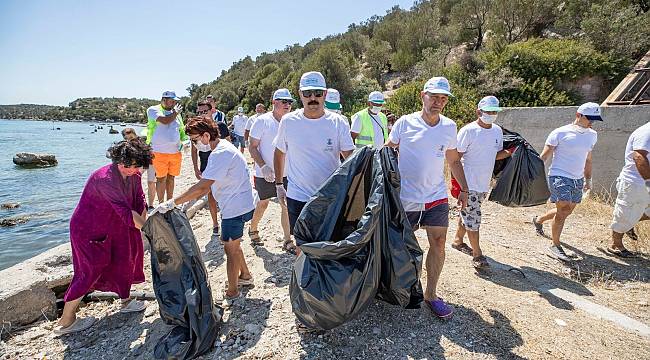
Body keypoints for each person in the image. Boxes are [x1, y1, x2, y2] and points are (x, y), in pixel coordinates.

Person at [385, 76, 469, 319]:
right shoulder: (404, 123)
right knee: (399, 247)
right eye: (433, 97)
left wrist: (463, 188)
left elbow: (453, 160)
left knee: (439, 243)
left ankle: (431, 295)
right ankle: (395, 288)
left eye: (443, 98)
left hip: (435, 197)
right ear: (423, 96)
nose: (438, 102)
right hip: (406, 198)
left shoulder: (449, 127)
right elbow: (388, 150)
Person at [154, 117, 255, 306]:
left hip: (235, 206)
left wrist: (172, 203)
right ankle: (245, 275)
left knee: (230, 249)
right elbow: (206, 185)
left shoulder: (221, 154)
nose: (194, 144)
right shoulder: (222, 147)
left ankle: (233, 291)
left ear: (206, 136)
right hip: (236, 203)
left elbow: (203, 187)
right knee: (232, 243)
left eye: (194, 140)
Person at [54, 140, 152, 335]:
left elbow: (139, 199)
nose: (133, 170)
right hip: (89, 229)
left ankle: (125, 302)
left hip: (115, 225)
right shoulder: (104, 179)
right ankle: (66, 322)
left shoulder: (134, 173)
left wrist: (145, 221)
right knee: (88, 271)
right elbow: (125, 212)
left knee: (124, 260)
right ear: (119, 161)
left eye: (136, 166)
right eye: (129, 166)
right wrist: (150, 230)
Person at [273, 71, 355, 254]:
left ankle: (325, 281)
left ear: (325, 94)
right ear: (300, 94)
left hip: (330, 197)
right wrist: (279, 184)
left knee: (330, 244)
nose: (312, 98)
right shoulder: (288, 121)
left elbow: (350, 155)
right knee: (302, 247)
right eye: (307, 93)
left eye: (317, 93)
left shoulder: (338, 122)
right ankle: (305, 281)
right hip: (298, 196)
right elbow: (279, 152)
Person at [532, 102, 601, 261]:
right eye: (589, 118)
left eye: (595, 119)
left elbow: (588, 159)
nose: (592, 122)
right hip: (559, 175)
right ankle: (555, 245)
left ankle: (539, 220)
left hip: (578, 178)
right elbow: (544, 156)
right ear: (579, 115)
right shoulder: (560, 133)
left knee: (567, 210)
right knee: (563, 210)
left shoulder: (592, 135)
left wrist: (588, 179)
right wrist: (532, 172)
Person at [451, 96, 513, 269]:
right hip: (468, 185)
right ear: (479, 112)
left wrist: (509, 152)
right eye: (488, 112)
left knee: (469, 214)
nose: (492, 115)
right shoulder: (468, 131)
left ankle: (457, 240)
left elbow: (494, 155)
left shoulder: (497, 131)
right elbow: (456, 158)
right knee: (474, 217)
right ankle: (477, 255)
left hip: (483, 183)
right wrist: (459, 185)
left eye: (494, 112)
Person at [248, 88, 294, 250]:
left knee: (285, 205)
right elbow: (252, 147)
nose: (287, 105)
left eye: (290, 102)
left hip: (287, 173)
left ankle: (288, 240)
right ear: (274, 102)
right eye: (284, 101)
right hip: (265, 174)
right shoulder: (261, 122)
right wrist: (263, 166)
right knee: (263, 204)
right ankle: (253, 229)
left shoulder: (293, 121)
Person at [608, 122, 650, 257]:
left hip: (644, 182)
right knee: (625, 211)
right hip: (636, 182)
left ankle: (630, 223)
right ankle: (616, 244)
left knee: (635, 213)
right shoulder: (646, 132)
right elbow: (639, 156)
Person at [146, 91, 188, 204]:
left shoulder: (176, 113)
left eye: (175, 101)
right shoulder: (153, 110)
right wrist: (175, 113)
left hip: (175, 152)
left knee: (171, 177)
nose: (174, 103)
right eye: (172, 101)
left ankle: (169, 203)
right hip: (159, 152)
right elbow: (164, 121)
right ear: (164, 100)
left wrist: (185, 141)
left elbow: (181, 130)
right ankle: (161, 203)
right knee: (161, 178)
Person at [191, 101, 222, 240]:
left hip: (220, 164)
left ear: (211, 111)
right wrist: (195, 167)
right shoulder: (194, 129)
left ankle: (227, 220)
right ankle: (215, 224)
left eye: (205, 111)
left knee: (222, 192)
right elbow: (193, 149)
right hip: (205, 165)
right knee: (210, 195)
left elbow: (226, 144)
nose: (202, 114)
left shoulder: (219, 126)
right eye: (199, 112)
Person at [122, 128, 157, 210]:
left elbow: (152, 150)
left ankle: (151, 205)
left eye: (130, 137)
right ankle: (136, 203)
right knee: (134, 181)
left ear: (135, 134)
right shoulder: (126, 145)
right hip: (140, 164)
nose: (129, 139)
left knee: (151, 182)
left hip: (151, 162)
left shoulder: (144, 139)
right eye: (126, 138)